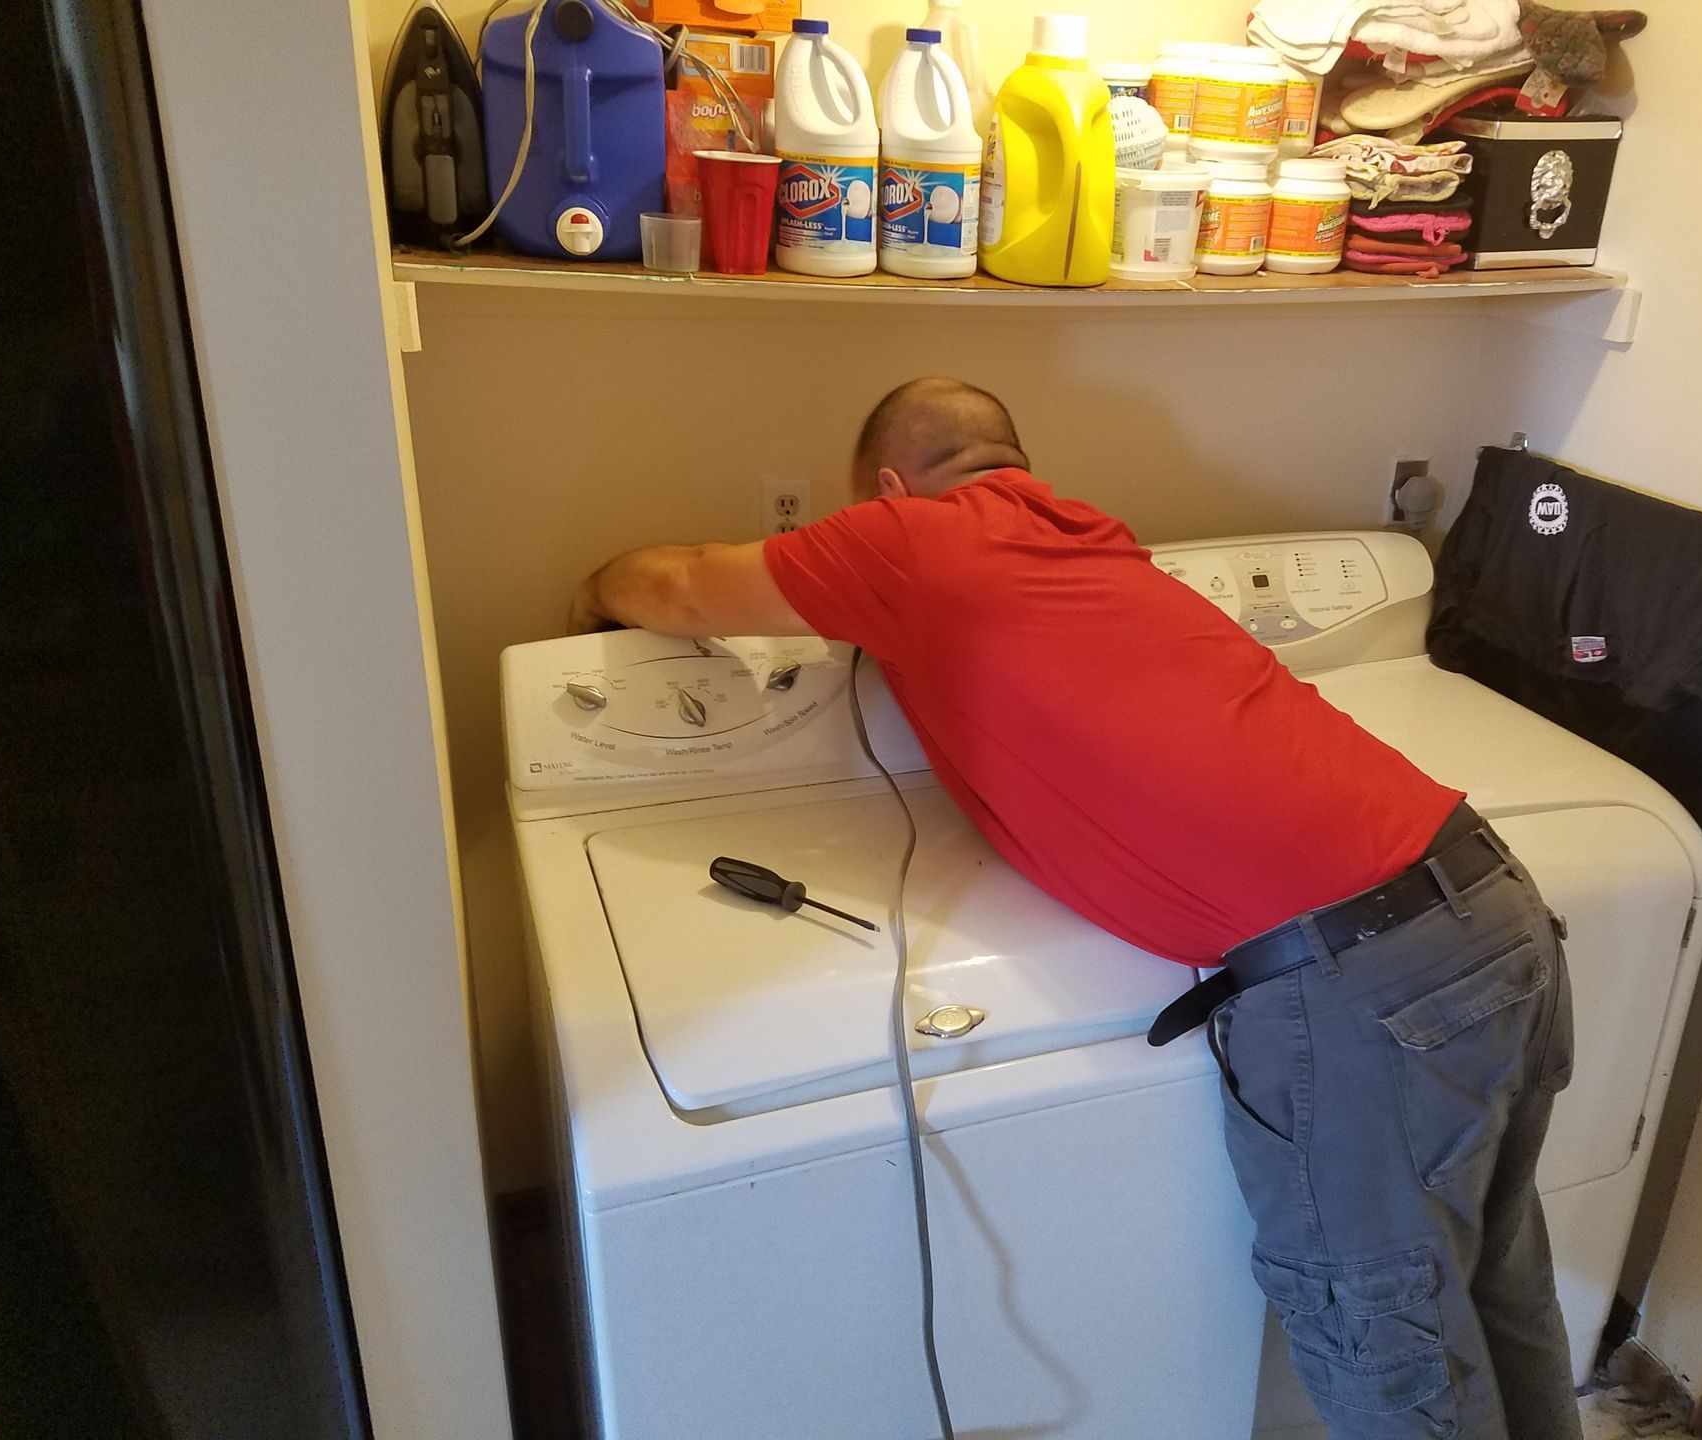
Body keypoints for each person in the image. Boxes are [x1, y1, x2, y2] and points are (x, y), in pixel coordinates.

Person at [569, 377, 1580, 1440]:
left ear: (885, 487)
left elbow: (679, 585)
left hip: (1357, 985)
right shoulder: (1092, 542)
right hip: (1487, 902)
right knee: (1497, 1291)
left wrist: (592, 588)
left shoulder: (911, 539)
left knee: (1389, 1355)